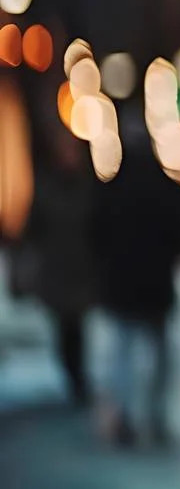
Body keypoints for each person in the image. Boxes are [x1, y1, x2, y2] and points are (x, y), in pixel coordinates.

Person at [90, 115, 180, 447]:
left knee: (122, 353)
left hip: (121, 285)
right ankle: (156, 414)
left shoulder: (110, 191)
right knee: (159, 353)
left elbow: (92, 235)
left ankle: (124, 414)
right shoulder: (167, 188)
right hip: (155, 286)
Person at [19, 122, 98, 407]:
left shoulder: (86, 187)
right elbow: (33, 227)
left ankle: (78, 378)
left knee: (77, 326)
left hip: (80, 268)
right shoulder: (47, 188)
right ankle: (72, 375)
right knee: (64, 327)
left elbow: (96, 227)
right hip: (56, 269)